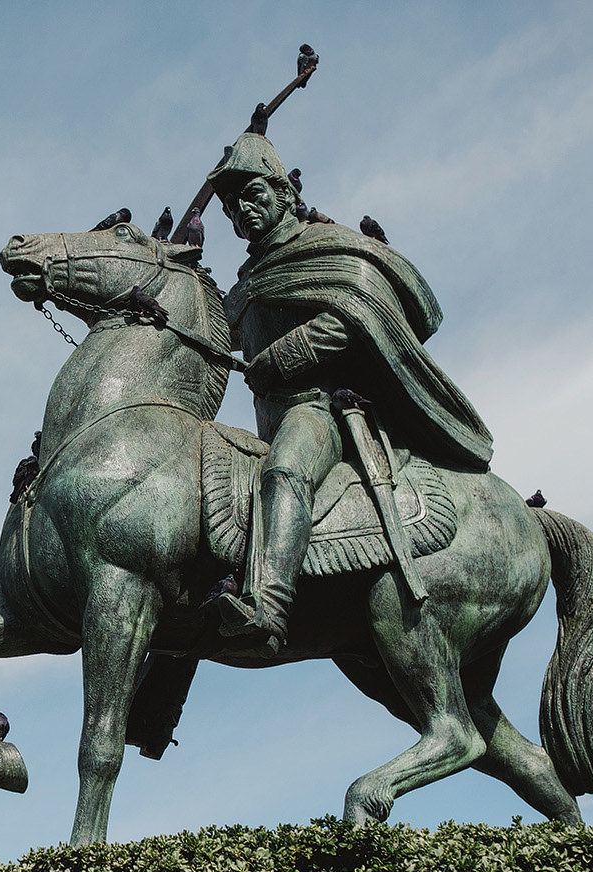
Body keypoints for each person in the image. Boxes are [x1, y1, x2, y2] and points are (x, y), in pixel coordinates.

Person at [208, 131, 494, 648]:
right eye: (231, 205)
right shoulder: (244, 284)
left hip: (319, 410)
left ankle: (268, 609)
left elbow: (353, 315)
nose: (242, 210)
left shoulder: (324, 248)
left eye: (253, 195)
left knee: (285, 471)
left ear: (284, 194)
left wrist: (281, 355)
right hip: (268, 420)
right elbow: (215, 340)